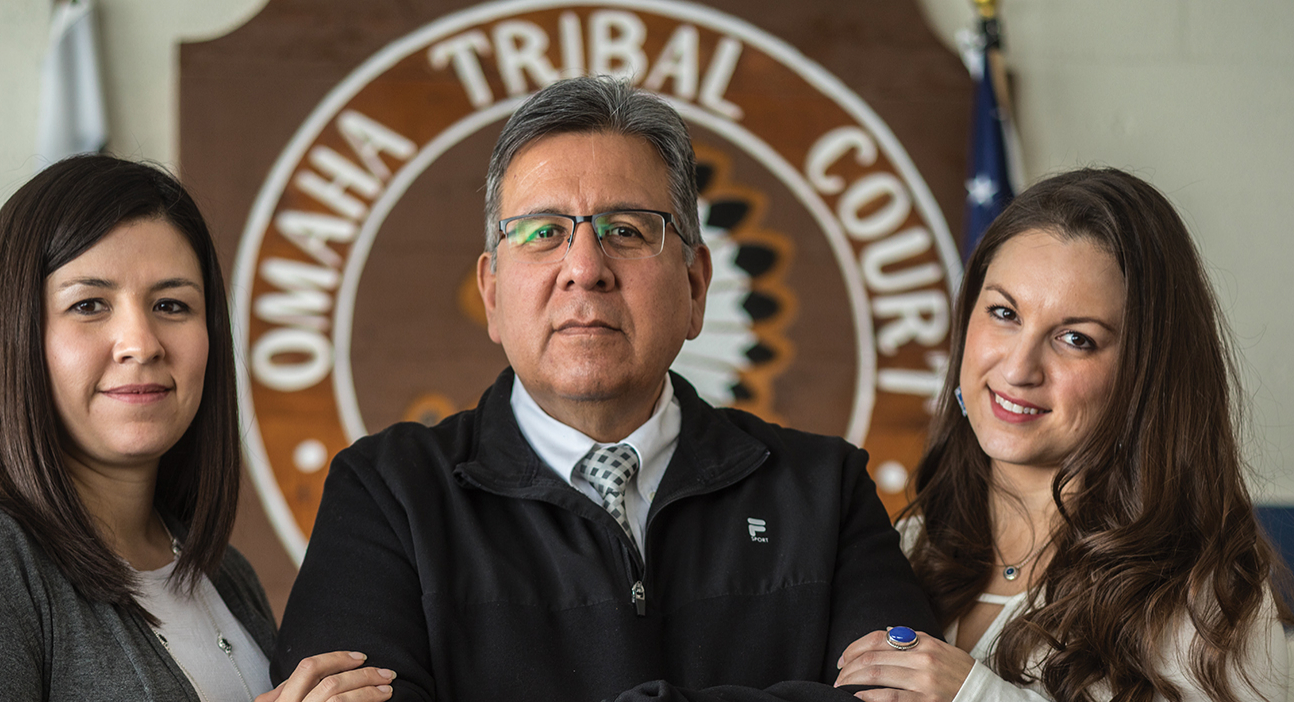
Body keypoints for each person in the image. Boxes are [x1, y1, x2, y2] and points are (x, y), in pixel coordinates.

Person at [272, 76, 940, 701]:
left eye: (626, 230)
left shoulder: (826, 492)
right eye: (542, 233)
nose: (585, 269)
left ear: (696, 287)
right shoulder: (386, 495)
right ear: (493, 295)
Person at [0, 155, 395, 701]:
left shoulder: (227, 574)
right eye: (89, 304)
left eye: (171, 305)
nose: (142, 342)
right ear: (16, 336)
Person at [834, 168, 1292, 701]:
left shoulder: (1211, 600)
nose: (1018, 368)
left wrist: (978, 696)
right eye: (1004, 313)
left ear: (1147, 373)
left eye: (1076, 338)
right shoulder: (907, 545)